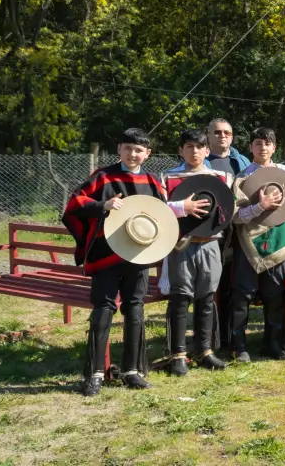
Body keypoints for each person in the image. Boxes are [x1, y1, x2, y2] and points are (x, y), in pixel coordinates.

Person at [63, 128, 168, 396]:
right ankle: (95, 374)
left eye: (139, 150)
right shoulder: (103, 176)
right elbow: (74, 204)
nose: (133, 154)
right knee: (103, 309)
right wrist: (103, 206)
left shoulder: (153, 182)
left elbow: (162, 217)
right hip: (106, 254)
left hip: (138, 255)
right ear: (119, 149)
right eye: (128, 148)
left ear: (148, 154)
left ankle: (133, 371)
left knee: (135, 308)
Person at [160, 129, 230, 377]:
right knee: (180, 298)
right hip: (181, 244)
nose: (194, 151)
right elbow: (158, 209)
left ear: (207, 150)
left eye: (199, 147)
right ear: (181, 150)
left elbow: (230, 206)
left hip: (210, 243)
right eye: (189, 146)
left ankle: (205, 351)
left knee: (206, 297)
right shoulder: (168, 178)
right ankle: (177, 354)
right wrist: (182, 207)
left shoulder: (219, 176)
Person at [229, 127, 285, 363]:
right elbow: (235, 216)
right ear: (250, 147)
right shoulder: (241, 178)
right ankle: (240, 347)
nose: (263, 147)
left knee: (275, 295)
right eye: (258, 143)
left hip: (279, 241)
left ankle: (274, 346)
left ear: (274, 147)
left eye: (268, 143)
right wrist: (260, 206)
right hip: (249, 242)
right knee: (242, 296)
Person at [206, 118, 250, 347]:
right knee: (213, 286)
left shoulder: (241, 162)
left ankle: (233, 336)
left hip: (237, 231)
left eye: (227, 132)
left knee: (234, 285)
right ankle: (213, 337)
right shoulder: (200, 162)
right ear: (208, 136)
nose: (222, 136)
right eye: (217, 132)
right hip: (209, 232)